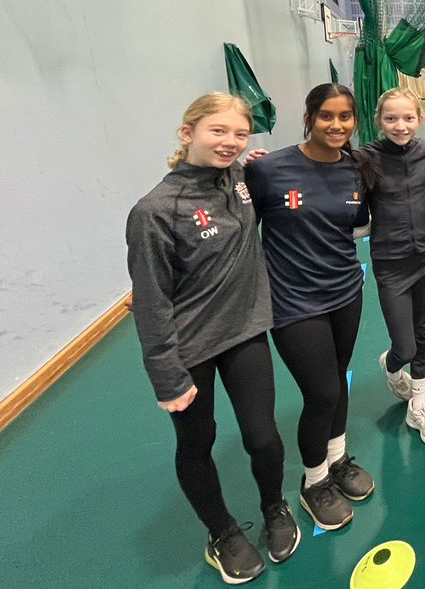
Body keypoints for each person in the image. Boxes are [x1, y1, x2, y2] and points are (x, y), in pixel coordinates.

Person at [126, 93, 297, 584]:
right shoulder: (155, 210)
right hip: (189, 348)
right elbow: (152, 303)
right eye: (217, 131)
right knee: (197, 441)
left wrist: (255, 163)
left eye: (240, 134)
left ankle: (274, 506)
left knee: (261, 436)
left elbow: (258, 177)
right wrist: (166, 376)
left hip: (244, 331)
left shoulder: (240, 180)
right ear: (188, 133)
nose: (230, 142)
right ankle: (221, 531)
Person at [244, 84, 373, 533]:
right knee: (320, 392)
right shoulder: (269, 170)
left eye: (345, 117)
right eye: (326, 116)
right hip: (294, 302)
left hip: (345, 292)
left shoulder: (356, 169)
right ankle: (313, 480)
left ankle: (337, 460)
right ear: (309, 117)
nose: (336, 125)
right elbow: (239, 229)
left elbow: (356, 227)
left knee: (337, 379)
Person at [354, 88, 425, 445]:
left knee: (424, 332)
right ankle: (391, 366)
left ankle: (420, 404)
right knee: (404, 347)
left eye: (408, 117)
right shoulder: (365, 158)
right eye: (391, 118)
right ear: (378, 120)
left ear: (419, 119)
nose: (400, 125)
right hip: (390, 261)